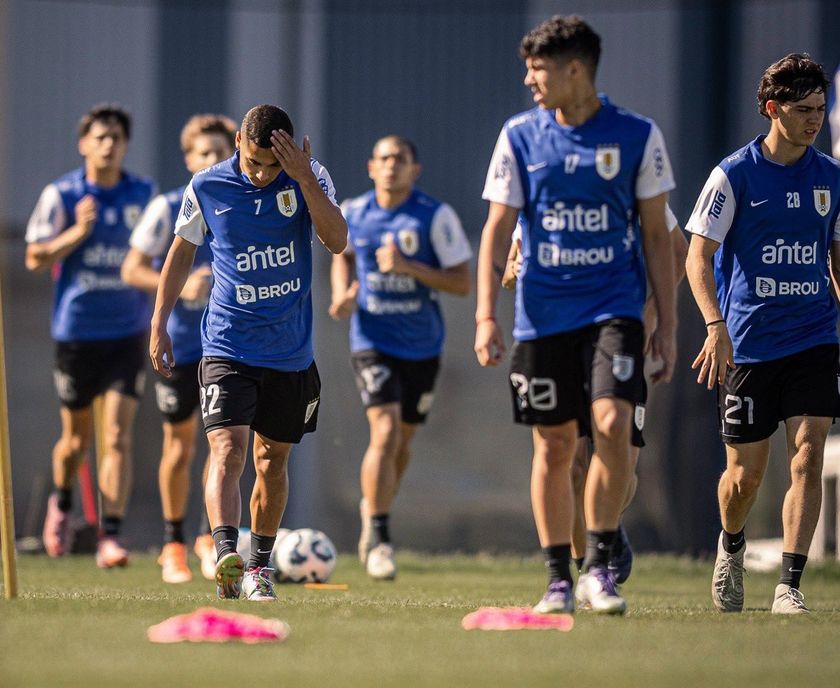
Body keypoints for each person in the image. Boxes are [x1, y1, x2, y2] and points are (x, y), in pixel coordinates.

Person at [475, 15, 677, 615]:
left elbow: (657, 237)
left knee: (613, 427)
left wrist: (667, 324)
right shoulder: (518, 136)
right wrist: (486, 314)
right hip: (542, 318)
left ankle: (600, 566)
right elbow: (497, 228)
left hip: (614, 309)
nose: (530, 81)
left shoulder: (638, 135)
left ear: (575, 70)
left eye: (539, 69)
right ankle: (557, 580)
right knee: (556, 447)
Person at [149, 104, 347, 601]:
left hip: (289, 353)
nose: (261, 175)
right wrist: (159, 323)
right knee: (228, 448)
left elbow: (337, 240)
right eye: (254, 162)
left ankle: (260, 567)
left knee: (271, 461)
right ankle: (224, 556)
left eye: (272, 167)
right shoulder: (207, 186)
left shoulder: (308, 177)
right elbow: (180, 253)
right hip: (226, 345)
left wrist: (302, 180)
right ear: (238, 141)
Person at [685, 53, 840, 614]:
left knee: (807, 452)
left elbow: (837, 261)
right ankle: (731, 545)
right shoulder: (734, 175)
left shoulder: (831, 177)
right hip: (749, 343)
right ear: (773, 109)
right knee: (744, 478)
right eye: (802, 110)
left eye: (820, 109)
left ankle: (789, 585)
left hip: (816, 337)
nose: (814, 120)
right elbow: (696, 258)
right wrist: (714, 326)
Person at [505, 205, 687, 582]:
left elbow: (677, 249)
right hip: (558, 335)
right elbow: (510, 267)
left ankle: (605, 521)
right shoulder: (539, 178)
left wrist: (654, 313)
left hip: (615, 330)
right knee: (571, 466)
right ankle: (586, 571)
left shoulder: (626, 166)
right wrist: (512, 272)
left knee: (616, 447)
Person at [329, 136, 472, 580]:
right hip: (372, 340)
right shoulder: (354, 212)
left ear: (415, 170)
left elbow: (461, 283)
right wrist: (342, 293)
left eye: (401, 160)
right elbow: (342, 255)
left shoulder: (435, 216)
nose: (391, 166)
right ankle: (378, 535)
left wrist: (410, 267)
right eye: (384, 159)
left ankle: (376, 503)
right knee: (385, 430)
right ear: (371, 167)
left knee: (401, 442)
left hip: (422, 347)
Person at [25, 103, 155, 568]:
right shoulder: (62, 194)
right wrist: (78, 232)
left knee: (117, 437)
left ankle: (110, 537)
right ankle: (61, 503)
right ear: (83, 144)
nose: (108, 145)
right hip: (77, 333)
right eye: (99, 137)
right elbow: (35, 257)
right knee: (75, 441)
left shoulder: (143, 194)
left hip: (127, 332)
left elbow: (159, 249)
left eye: (116, 137)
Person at [122, 114, 236, 584]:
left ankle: (211, 539)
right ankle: (173, 544)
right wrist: (181, 289)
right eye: (202, 153)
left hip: (226, 346)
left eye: (218, 152)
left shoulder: (240, 202)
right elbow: (132, 269)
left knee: (224, 445)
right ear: (189, 159)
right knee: (180, 444)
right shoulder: (168, 206)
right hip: (180, 345)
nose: (210, 161)